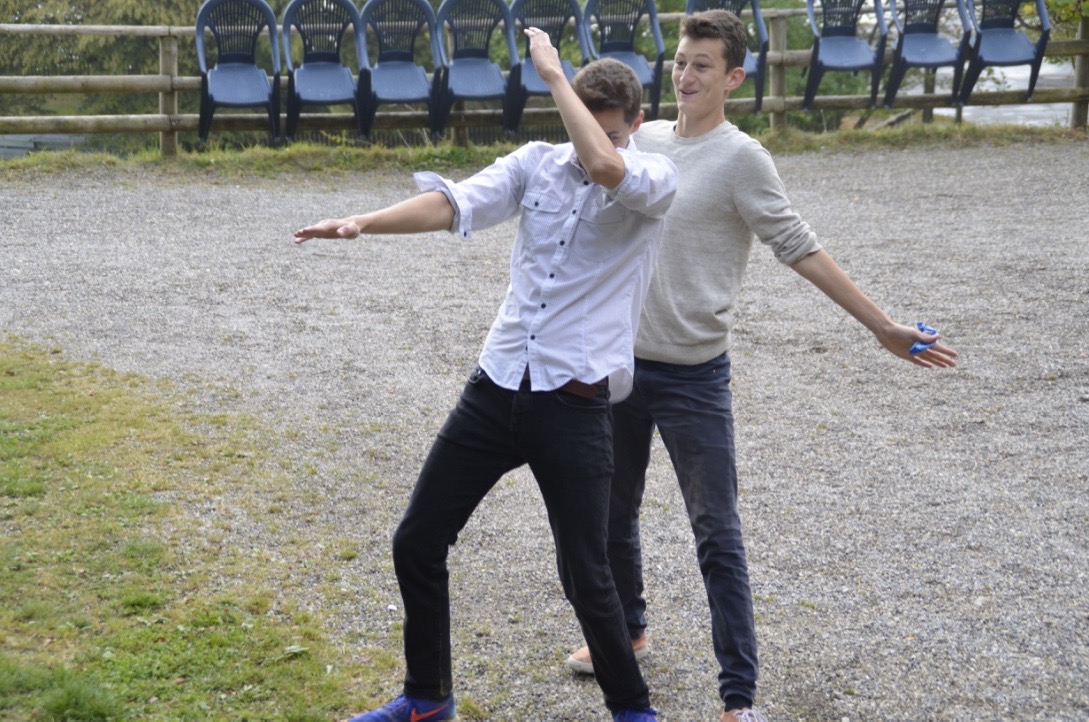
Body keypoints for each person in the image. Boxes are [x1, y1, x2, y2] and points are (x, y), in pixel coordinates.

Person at [561, 10, 959, 722]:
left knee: (716, 531)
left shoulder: (742, 159)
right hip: (619, 367)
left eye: (701, 65)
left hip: (693, 377)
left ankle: (737, 697)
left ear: (734, 78)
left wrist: (882, 326)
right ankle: (627, 630)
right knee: (611, 514)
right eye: (680, 62)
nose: (685, 75)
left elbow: (798, 245)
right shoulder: (643, 140)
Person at [295, 28, 678, 722]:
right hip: (497, 386)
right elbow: (455, 204)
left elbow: (605, 167)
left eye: (612, 131)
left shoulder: (652, 177)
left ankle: (633, 712)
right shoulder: (535, 163)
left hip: (574, 403)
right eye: (583, 126)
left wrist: (554, 76)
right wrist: (363, 222)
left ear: (636, 124)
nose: (594, 142)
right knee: (416, 541)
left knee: (587, 575)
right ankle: (427, 699)